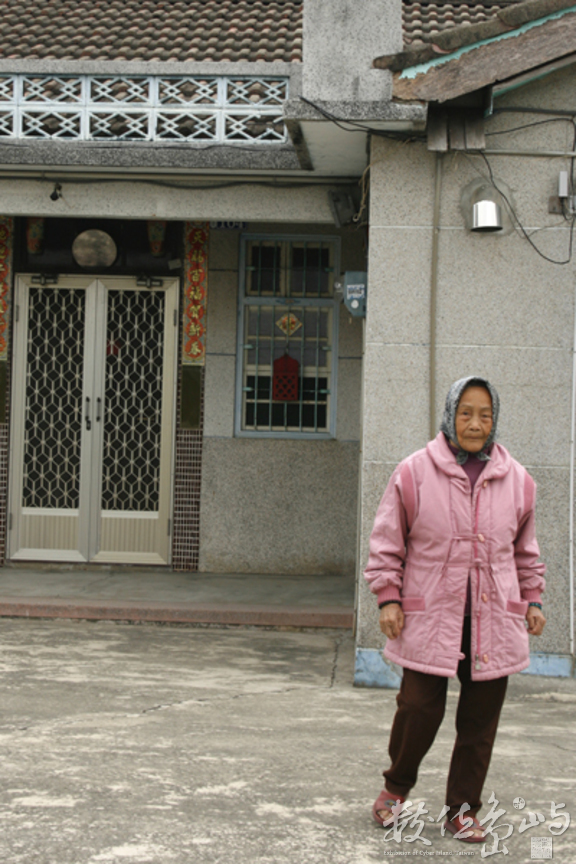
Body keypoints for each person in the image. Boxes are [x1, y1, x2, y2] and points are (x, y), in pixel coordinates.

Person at [364, 376, 546, 843]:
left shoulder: (518, 480)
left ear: (495, 420)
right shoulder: (413, 472)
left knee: (479, 723)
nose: (475, 423)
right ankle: (395, 789)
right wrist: (388, 597)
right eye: (466, 413)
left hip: (495, 620)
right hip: (431, 617)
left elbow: (525, 552)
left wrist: (533, 600)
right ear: (450, 415)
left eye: (485, 414)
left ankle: (462, 811)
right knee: (418, 708)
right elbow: (387, 543)